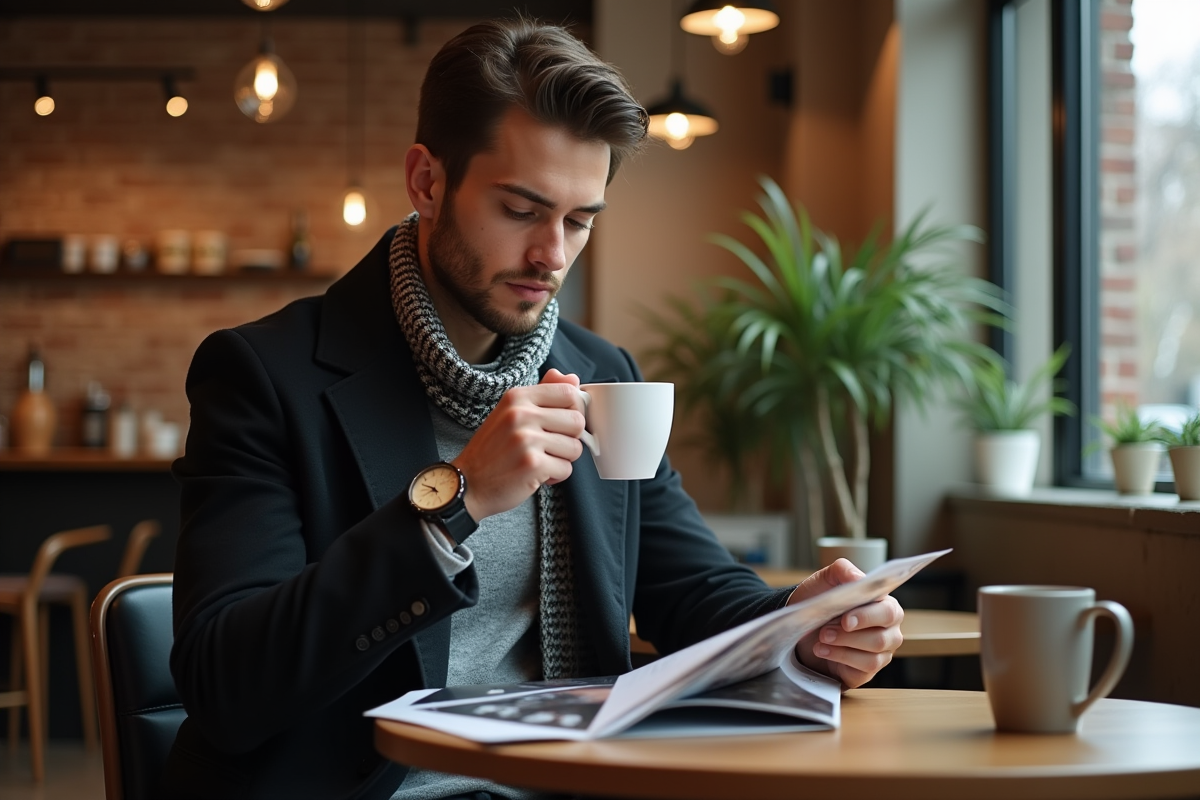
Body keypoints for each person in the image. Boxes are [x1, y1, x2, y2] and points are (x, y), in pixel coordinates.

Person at [164, 17, 903, 800]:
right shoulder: (264, 375)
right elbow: (225, 683)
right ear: (427, 181)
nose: (553, 254)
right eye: (522, 210)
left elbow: (691, 590)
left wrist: (802, 625)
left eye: (580, 220)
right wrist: (455, 500)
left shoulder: (600, 374)